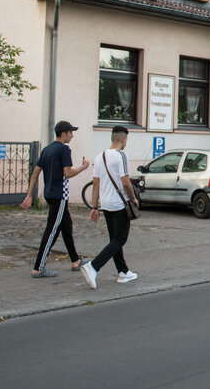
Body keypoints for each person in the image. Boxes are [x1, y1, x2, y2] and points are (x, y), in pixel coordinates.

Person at [21, 120, 90, 277]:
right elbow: (68, 173)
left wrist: (30, 195)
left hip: (49, 194)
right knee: (51, 230)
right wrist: (83, 168)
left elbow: (35, 173)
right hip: (60, 196)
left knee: (66, 225)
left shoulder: (47, 149)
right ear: (63, 134)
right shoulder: (64, 150)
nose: (72, 136)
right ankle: (39, 267)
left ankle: (75, 261)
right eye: (71, 133)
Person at [81, 125, 138, 289]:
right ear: (123, 139)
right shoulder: (121, 156)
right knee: (120, 239)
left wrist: (94, 206)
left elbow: (96, 184)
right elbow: (125, 181)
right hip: (119, 203)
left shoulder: (99, 157)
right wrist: (133, 198)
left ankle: (123, 272)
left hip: (105, 204)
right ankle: (93, 266)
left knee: (115, 239)